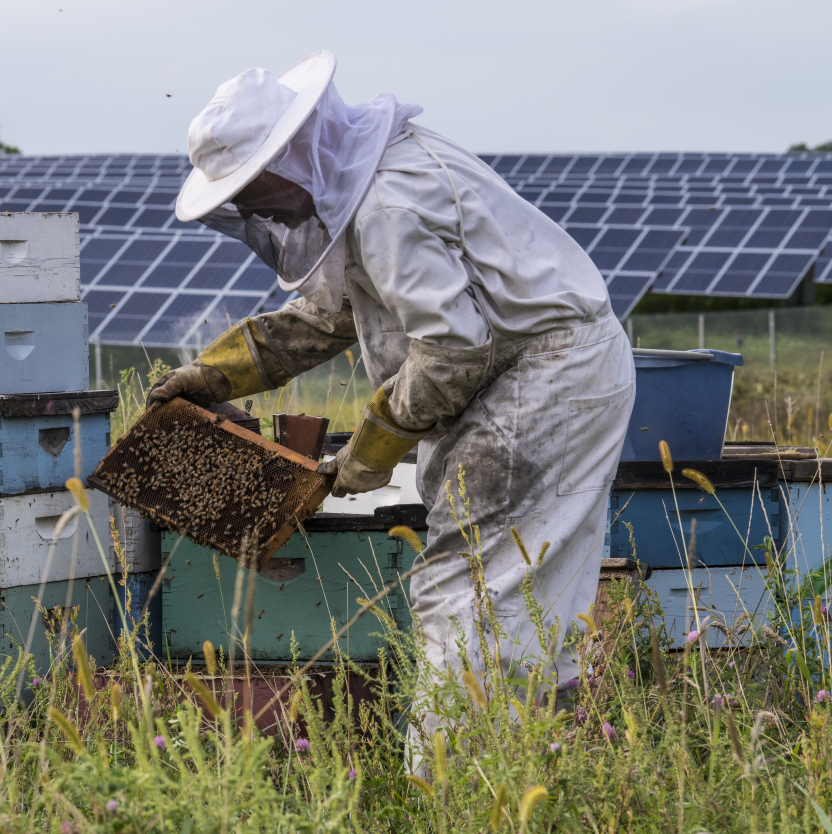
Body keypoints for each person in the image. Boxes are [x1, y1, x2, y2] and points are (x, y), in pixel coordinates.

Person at [147, 51, 635, 754]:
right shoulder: (363, 187)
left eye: (254, 186)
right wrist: (215, 375)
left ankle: (454, 788)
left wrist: (370, 450)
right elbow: (331, 312)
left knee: (471, 590)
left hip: (543, 375)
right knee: (515, 597)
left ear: (293, 157)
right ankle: (541, 770)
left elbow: (452, 352)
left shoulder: (390, 202)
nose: (250, 207)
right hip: (525, 372)